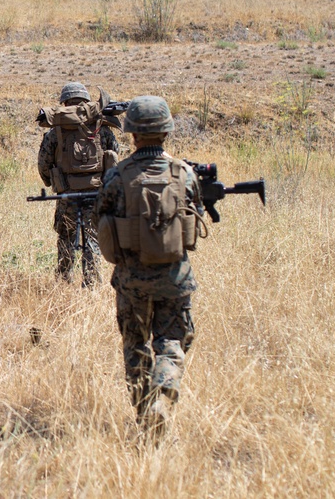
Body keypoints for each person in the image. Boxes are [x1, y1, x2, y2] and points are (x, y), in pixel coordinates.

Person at [95, 96, 204, 439]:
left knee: (136, 347)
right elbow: (195, 215)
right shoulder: (183, 173)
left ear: (132, 135)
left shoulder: (118, 177)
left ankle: (145, 415)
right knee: (171, 342)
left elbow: (102, 220)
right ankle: (162, 399)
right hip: (175, 279)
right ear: (166, 132)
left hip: (131, 282)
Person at [37, 82, 121, 287]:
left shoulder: (55, 130)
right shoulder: (102, 127)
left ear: (64, 103)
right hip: (96, 193)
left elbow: (44, 163)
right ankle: (91, 283)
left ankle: (64, 282)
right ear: (86, 101)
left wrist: (51, 181)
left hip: (67, 193)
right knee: (92, 239)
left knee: (66, 236)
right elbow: (115, 154)